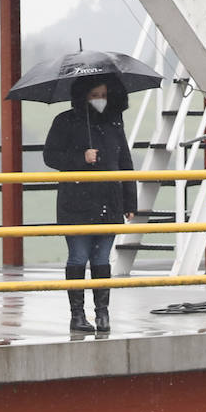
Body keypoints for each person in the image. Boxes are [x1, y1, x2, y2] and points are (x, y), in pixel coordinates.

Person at [42, 74, 135, 334]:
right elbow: (50, 156)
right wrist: (80, 158)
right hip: (77, 204)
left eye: (103, 95)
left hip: (110, 202)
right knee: (79, 256)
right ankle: (77, 315)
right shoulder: (65, 121)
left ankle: (102, 314)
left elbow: (125, 162)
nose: (100, 100)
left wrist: (129, 199)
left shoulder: (115, 123)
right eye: (94, 96)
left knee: (102, 258)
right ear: (83, 96)